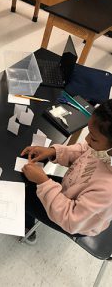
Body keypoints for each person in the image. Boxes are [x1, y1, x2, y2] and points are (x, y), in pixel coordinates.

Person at [21, 99, 112, 244]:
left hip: (77, 221)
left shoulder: (108, 192)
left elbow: (72, 220)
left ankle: (27, 228)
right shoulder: (103, 150)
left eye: (93, 138)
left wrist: (43, 182)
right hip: (69, 190)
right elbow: (84, 150)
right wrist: (53, 152)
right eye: (88, 133)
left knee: (21, 197)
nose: (87, 140)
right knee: (26, 180)